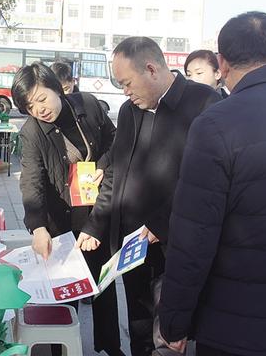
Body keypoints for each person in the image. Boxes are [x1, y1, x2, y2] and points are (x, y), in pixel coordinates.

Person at [158, 12, 266, 356]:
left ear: (222, 63)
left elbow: (193, 237)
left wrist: (174, 321)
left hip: (234, 328)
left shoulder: (214, 125)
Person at [76, 37, 221, 355]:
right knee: (139, 329)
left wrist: (160, 224)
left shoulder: (205, 106)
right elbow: (116, 171)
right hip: (132, 246)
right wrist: (95, 225)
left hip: (174, 249)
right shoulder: (129, 111)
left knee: (168, 337)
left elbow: (208, 183)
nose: (124, 91)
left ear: (152, 69)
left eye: (127, 83)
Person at [11, 62, 123, 356]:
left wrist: (103, 166)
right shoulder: (32, 132)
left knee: (103, 282)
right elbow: (32, 181)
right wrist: (37, 227)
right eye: (30, 106)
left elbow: (115, 141)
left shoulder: (87, 106)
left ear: (57, 88)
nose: (39, 109)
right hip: (61, 215)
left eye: (42, 99)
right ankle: (61, 348)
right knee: (65, 287)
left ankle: (110, 345)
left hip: (98, 207)